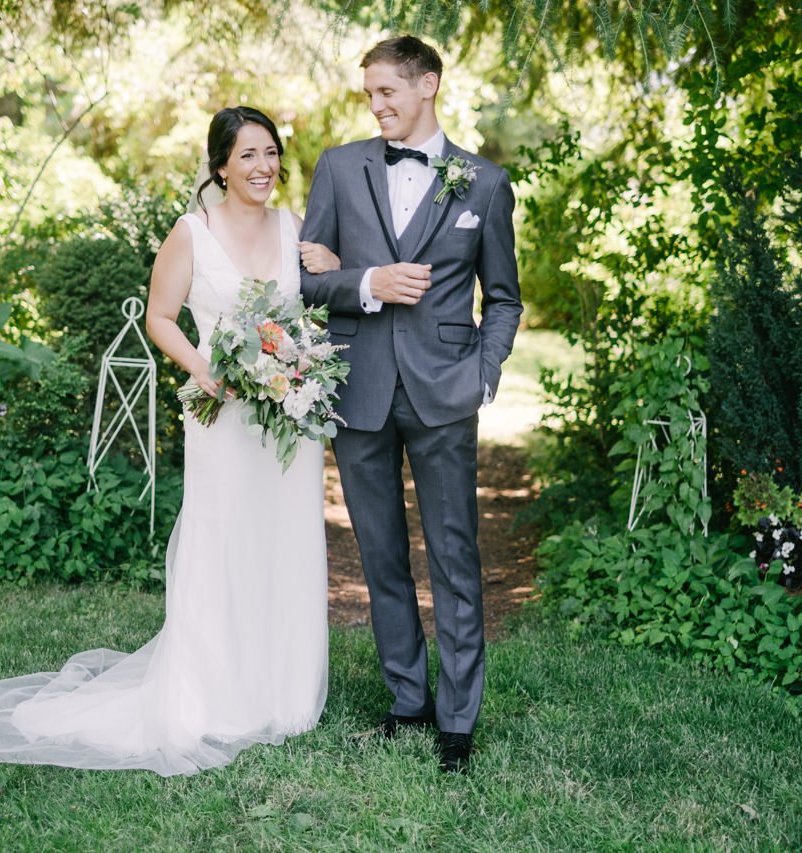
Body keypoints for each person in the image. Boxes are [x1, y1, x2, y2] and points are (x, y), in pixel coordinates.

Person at [0, 106, 340, 776]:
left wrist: (327, 275)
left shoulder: (296, 229)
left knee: (285, 542)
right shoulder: (192, 234)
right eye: (249, 156)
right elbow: (161, 318)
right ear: (221, 167)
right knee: (224, 544)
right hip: (223, 418)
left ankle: (285, 693)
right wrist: (207, 370)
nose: (264, 168)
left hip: (287, 425)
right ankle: (213, 695)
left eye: (271, 154)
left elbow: (313, 307)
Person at [298, 35, 523, 773]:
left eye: (387, 92)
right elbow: (304, 278)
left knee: (454, 556)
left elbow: (505, 299)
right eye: (368, 95)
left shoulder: (483, 184)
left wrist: (482, 375)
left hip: (444, 395)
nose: (376, 106)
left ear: (427, 84)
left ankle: (458, 720)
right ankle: (406, 700)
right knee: (381, 557)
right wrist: (366, 283)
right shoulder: (338, 167)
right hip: (357, 389)